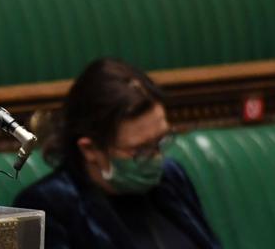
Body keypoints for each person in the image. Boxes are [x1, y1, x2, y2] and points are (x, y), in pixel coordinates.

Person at [13, 59, 220, 249]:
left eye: (160, 141)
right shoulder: (47, 207)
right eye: (140, 150)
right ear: (90, 149)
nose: (156, 157)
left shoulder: (171, 177)